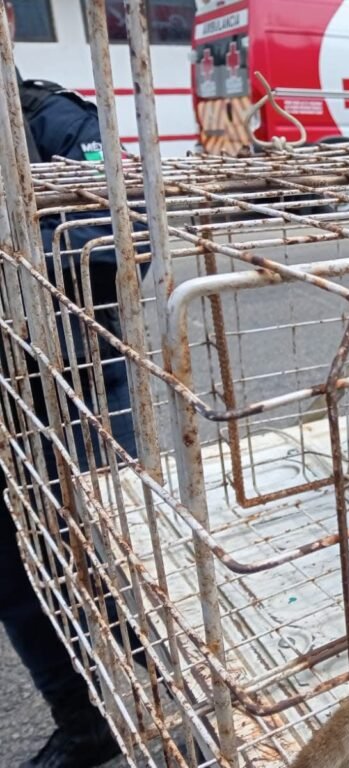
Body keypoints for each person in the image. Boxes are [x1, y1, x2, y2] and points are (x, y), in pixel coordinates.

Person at [0, 2, 146, 766]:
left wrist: (25, 250)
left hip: (80, 383)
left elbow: (130, 226)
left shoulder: (51, 119)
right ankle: (84, 719)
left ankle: (171, 699)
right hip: (6, 400)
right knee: (17, 576)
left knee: (118, 559)